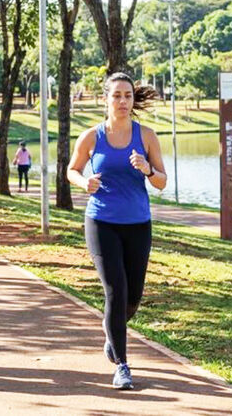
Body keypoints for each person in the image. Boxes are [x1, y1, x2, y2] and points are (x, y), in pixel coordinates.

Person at [67, 72, 167, 390]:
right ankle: (122, 365)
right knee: (116, 290)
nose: (123, 101)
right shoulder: (92, 137)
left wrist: (147, 169)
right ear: (106, 99)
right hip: (102, 222)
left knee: (133, 297)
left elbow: (162, 182)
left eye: (127, 95)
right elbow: (72, 169)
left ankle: (112, 330)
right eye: (117, 95)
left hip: (138, 223)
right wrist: (85, 182)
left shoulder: (147, 136)